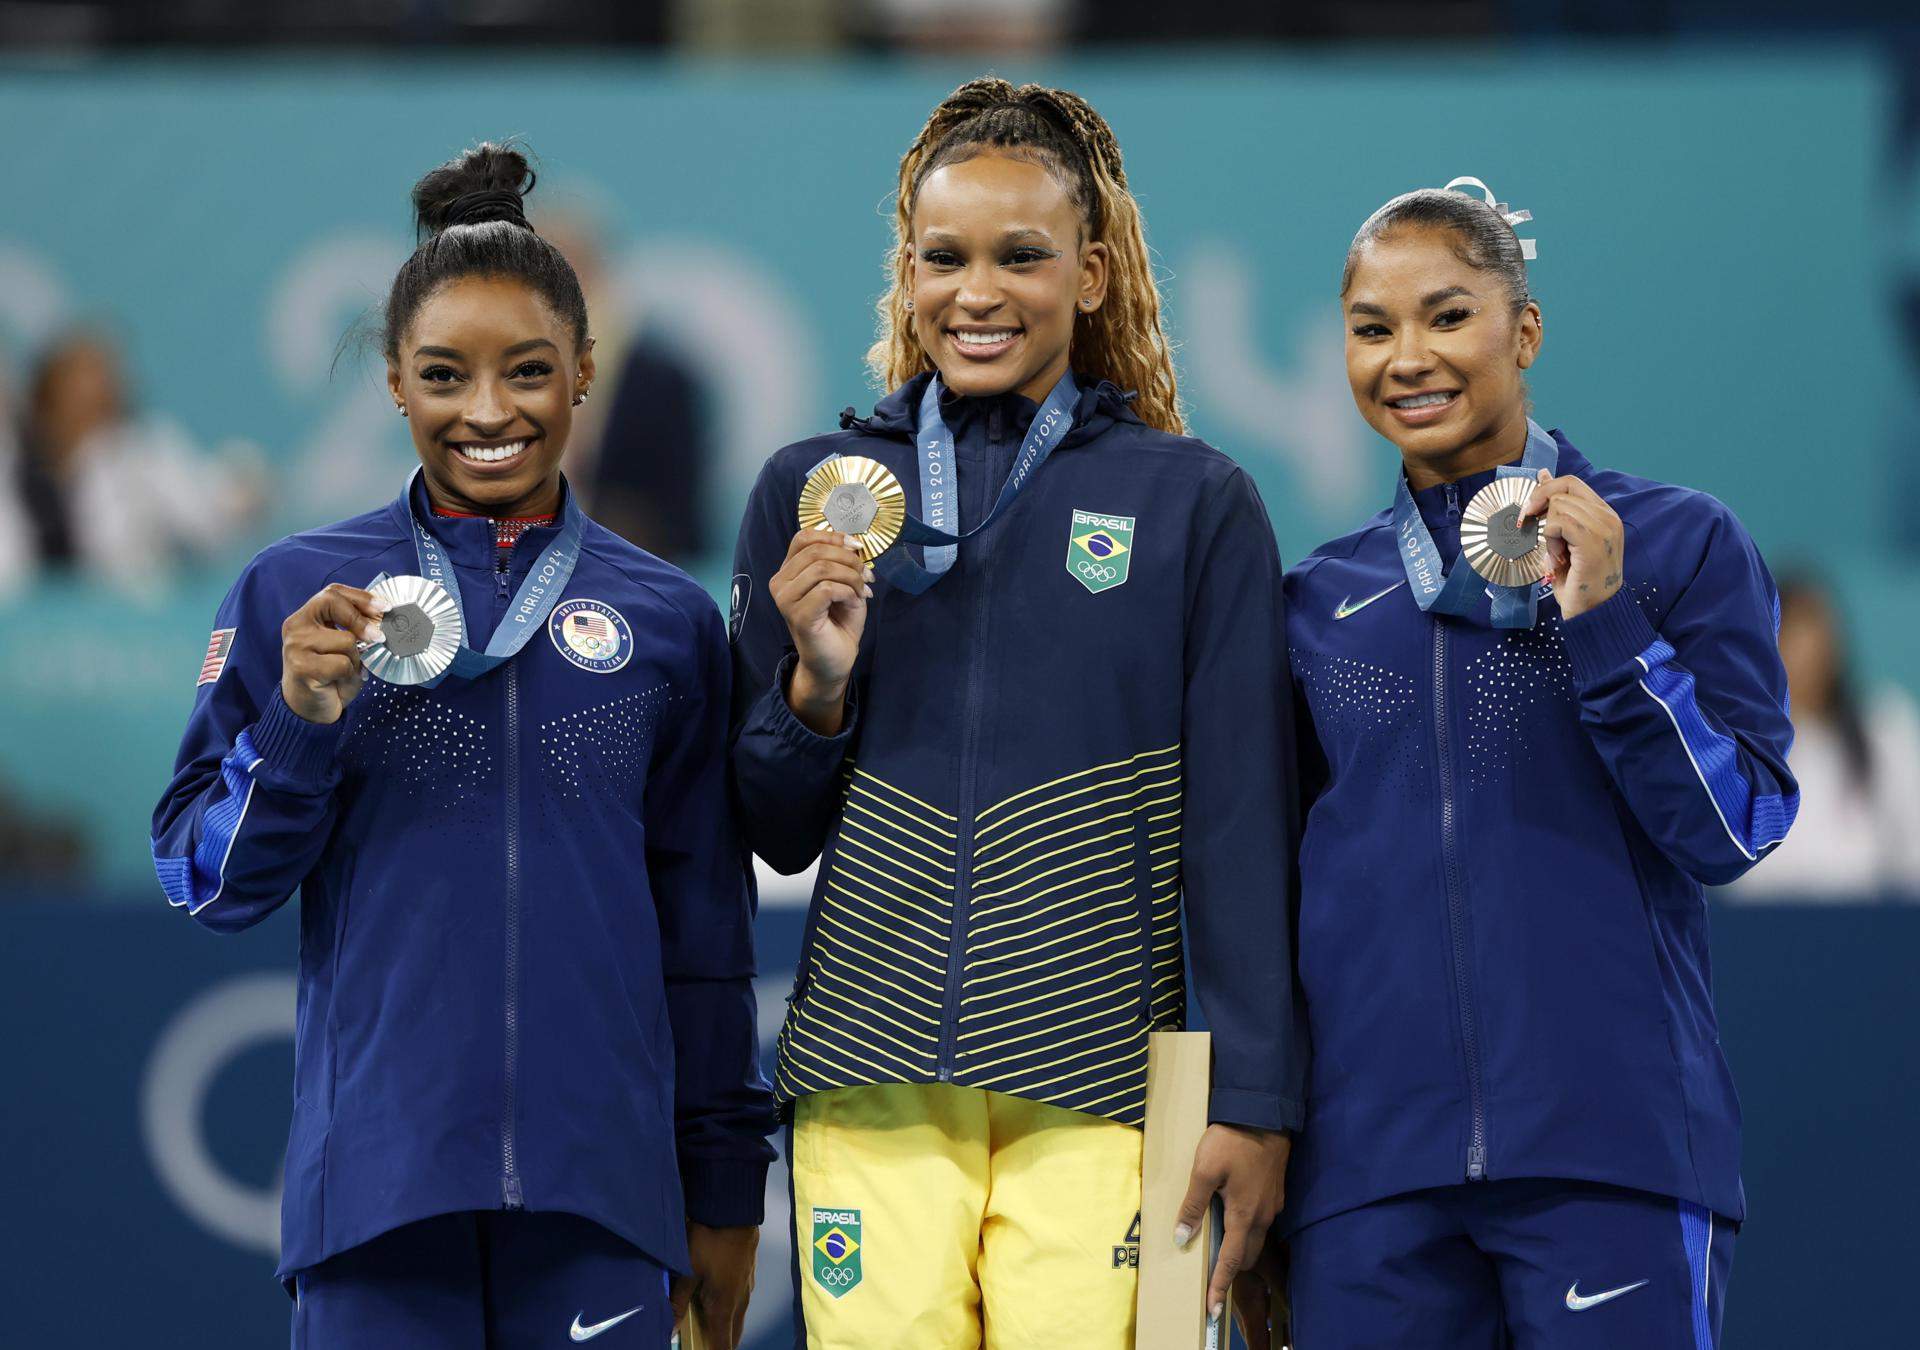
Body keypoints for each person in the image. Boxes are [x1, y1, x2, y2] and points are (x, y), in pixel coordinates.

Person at [149, 143, 774, 1350]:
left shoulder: (668, 619)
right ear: (394, 381)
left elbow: (705, 941)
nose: (488, 413)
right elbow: (208, 882)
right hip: (375, 1199)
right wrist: (298, 725)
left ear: (587, 371)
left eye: (528, 371)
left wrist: (726, 1190)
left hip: (600, 1203)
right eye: (445, 375)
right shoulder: (295, 588)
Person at [728, 78, 1303, 1347]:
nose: (976, 292)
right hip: (868, 1076)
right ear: (908, 270)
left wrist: (1253, 1101)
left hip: (1103, 1086)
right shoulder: (816, 493)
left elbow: (1243, 829)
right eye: (944, 257)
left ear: (1091, 275)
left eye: (1020, 257)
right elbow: (769, 825)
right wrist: (814, 690)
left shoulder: (1193, 505)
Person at [1274, 179, 1798, 1349]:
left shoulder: (1675, 543)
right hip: (1371, 1188)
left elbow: (1735, 828)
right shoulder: (1317, 602)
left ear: (1526, 330)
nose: (1408, 357)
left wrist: (1606, 625)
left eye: (1447, 316)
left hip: (1609, 1156)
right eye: (1372, 328)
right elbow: (1274, 894)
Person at [3, 328, 264, 601]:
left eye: (100, 380)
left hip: (125, 623)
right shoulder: (15, 465)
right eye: (75, 381)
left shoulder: (144, 453)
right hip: (26, 628)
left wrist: (238, 497)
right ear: (48, 394)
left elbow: (206, 516)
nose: (87, 393)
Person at [1729, 570, 1920, 901]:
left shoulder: (1883, 728)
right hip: (1764, 929)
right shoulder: (1737, 742)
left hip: (1866, 928)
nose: (1804, 655)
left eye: (1813, 636)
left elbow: (1912, 854)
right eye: (1790, 635)